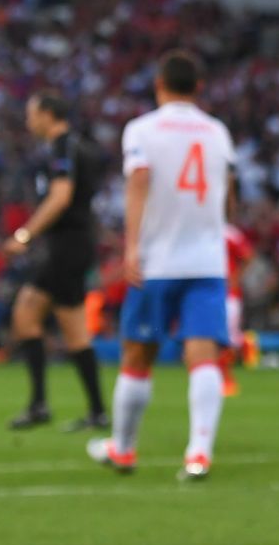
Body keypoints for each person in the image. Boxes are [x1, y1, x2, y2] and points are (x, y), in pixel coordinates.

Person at [86, 52, 235, 481]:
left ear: (159, 84)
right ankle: (199, 453)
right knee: (203, 355)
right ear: (199, 87)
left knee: (137, 354)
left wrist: (131, 247)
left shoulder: (142, 130)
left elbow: (138, 182)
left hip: (157, 259)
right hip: (208, 259)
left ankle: (124, 449)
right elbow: (228, 193)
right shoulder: (217, 131)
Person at [4, 93, 109, 432]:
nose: (28, 121)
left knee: (32, 313)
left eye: (31, 114)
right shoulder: (80, 148)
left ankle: (42, 405)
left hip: (65, 247)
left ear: (48, 114)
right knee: (68, 327)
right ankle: (92, 410)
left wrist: (25, 235)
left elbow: (60, 197)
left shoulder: (63, 148)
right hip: (74, 245)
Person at [221, 221, 253, 396]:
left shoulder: (229, 233)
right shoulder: (199, 231)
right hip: (207, 292)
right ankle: (245, 343)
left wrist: (236, 277)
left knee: (227, 337)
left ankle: (227, 379)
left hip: (229, 293)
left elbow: (248, 255)